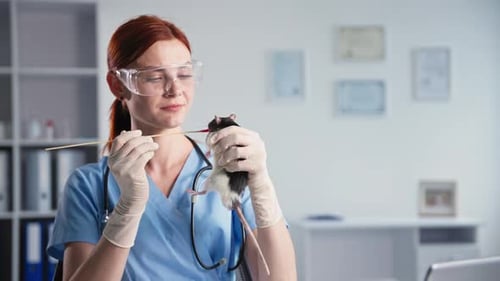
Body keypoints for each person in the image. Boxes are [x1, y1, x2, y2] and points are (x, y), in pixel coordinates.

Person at [47, 14, 297, 281]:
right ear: (118, 84)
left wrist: (261, 185)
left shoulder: (229, 171)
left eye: (185, 74)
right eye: (155, 77)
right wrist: (127, 210)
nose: (175, 89)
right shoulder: (89, 185)